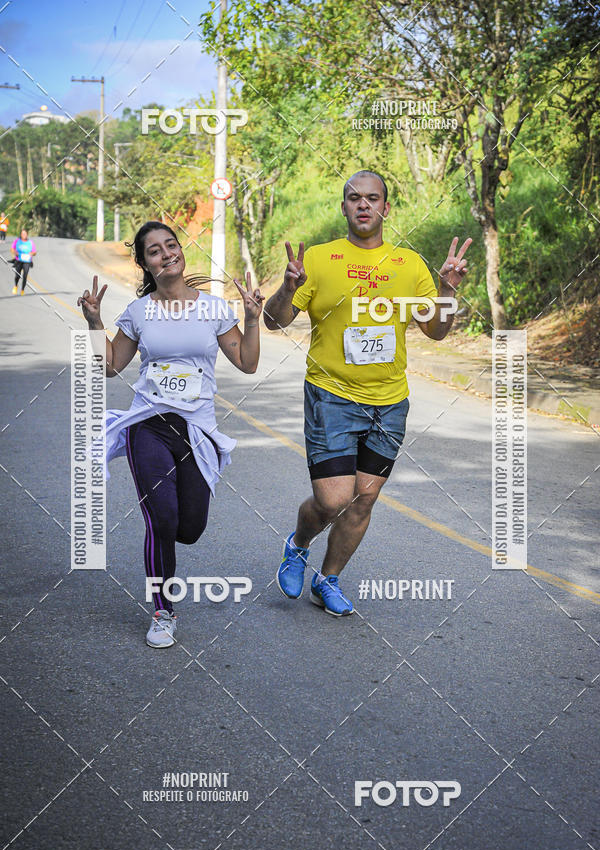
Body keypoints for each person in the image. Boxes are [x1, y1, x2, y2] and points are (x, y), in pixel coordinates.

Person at [264, 170, 471, 617]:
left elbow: (435, 331)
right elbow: (273, 321)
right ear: (343, 207)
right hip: (331, 396)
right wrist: (288, 288)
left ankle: (328, 579)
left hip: (389, 401)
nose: (363, 205)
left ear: (386, 208)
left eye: (372, 198)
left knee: (364, 498)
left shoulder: (409, 264)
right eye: (354, 198)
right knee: (333, 499)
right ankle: (298, 545)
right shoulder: (318, 260)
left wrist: (448, 289)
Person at [78, 220, 263, 648]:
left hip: (197, 432)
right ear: (144, 263)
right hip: (150, 427)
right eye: (154, 251)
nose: (166, 254)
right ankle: (163, 610)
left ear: (181, 251)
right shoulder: (139, 312)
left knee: (189, 528)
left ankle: (166, 566)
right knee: (160, 519)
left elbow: (248, 363)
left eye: (171, 245)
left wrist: (251, 319)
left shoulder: (215, 309)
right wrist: (93, 323)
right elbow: (109, 366)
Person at [11, 228, 36, 294]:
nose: (24, 235)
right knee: (17, 275)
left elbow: (34, 252)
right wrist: (15, 252)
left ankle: (22, 289)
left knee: (25, 275)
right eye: (22, 234)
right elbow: (12, 249)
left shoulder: (30, 242)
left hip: (27, 261)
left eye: (25, 234)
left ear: (27, 235)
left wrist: (32, 253)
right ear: (21, 234)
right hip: (19, 260)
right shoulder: (17, 241)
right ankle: (16, 286)